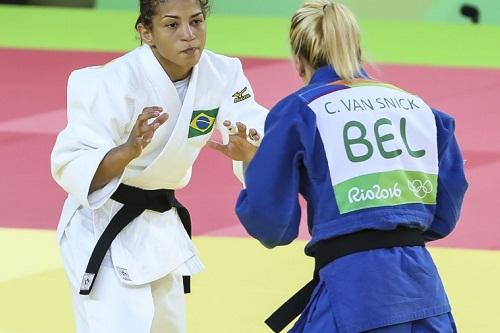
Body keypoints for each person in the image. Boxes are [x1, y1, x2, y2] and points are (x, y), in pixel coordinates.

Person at [215, 1, 468, 332]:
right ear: (357, 48)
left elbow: (273, 225)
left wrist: (253, 163)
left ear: (298, 60)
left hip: (352, 297)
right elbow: (444, 216)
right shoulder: (423, 111)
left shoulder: (299, 112)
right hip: (423, 295)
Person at [50, 0, 267, 332]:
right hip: (101, 225)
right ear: (146, 32)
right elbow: (71, 164)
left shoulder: (222, 74)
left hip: (160, 229)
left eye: (196, 21)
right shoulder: (113, 81)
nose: (189, 35)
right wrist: (127, 150)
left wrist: (249, 151)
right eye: (172, 25)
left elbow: (252, 122)